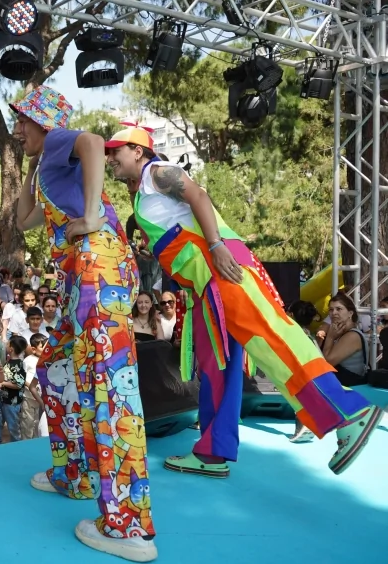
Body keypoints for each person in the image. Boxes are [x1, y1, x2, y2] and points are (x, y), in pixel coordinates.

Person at [105, 122, 382, 479]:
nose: (110, 157)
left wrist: (216, 246)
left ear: (138, 150)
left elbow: (199, 196)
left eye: (115, 150)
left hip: (221, 270)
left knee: (274, 340)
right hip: (204, 283)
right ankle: (213, 452)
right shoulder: (141, 191)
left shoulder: (158, 173)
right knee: (216, 365)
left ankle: (348, 413)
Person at [12, 86, 156, 561]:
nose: (17, 130)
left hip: (98, 269)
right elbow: (24, 221)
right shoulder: (50, 165)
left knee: (109, 388)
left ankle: (125, 524)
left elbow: (92, 142)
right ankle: (73, 474)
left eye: (23, 121)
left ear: (43, 123)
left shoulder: (60, 141)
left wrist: (91, 215)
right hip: (87, 276)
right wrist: (31, 168)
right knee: (53, 367)